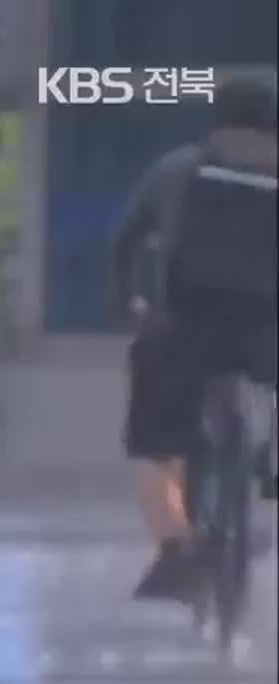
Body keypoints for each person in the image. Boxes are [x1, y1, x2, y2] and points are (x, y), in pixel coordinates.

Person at [111, 74, 278, 601]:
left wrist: (127, 303)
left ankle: (175, 547)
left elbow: (128, 240)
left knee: (151, 440)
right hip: (268, 332)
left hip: (185, 328)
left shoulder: (178, 168)